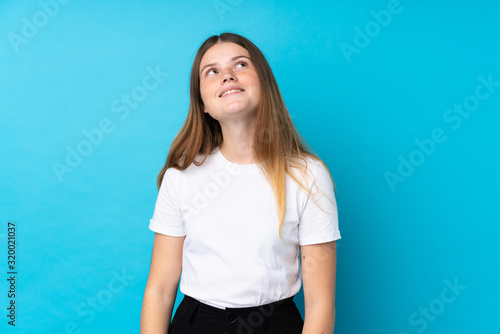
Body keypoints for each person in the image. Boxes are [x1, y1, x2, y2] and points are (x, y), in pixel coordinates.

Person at [140, 32, 341, 334]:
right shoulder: (180, 176)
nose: (227, 76)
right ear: (203, 103)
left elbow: (320, 305)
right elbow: (159, 289)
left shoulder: (308, 176)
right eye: (212, 72)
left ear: (265, 85)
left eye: (241, 65)